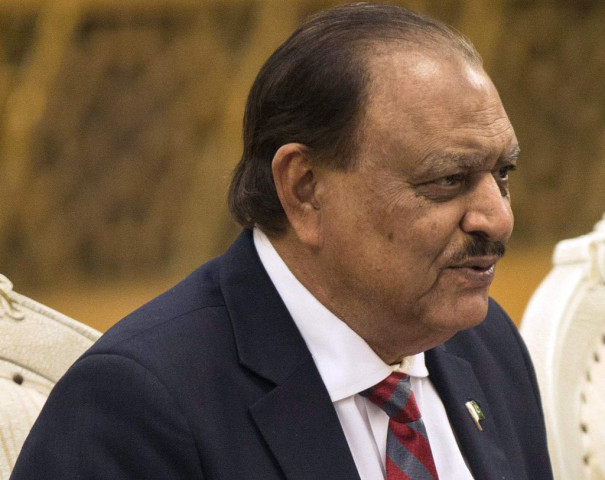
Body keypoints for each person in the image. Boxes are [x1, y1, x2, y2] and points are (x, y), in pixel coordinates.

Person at [11, 3, 553, 479]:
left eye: (502, 174)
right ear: (304, 188)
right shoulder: (140, 405)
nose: (498, 218)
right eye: (448, 180)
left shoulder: (484, 345)